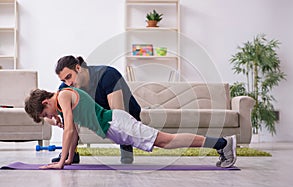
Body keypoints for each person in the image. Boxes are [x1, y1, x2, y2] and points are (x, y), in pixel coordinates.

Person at [24, 87, 237, 169]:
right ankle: (221, 144)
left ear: (45, 102)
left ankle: (222, 143)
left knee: (165, 140)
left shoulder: (63, 95)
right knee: (165, 141)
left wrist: (61, 163)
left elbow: (70, 130)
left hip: (117, 124)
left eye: (46, 114)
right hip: (117, 127)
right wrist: (69, 158)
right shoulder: (61, 103)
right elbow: (74, 132)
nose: (50, 117)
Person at [51, 55, 140, 164]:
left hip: (128, 112)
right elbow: (63, 117)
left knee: (117, 116)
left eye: (69, 77)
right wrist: (56, 115)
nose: (68, 83)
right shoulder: (66, 88)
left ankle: (126, 146)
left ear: (78, 68)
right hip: (98, 113)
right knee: (68, 114)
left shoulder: (107, 74)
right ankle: (72, 153)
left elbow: (118, 111)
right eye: (64, 80)